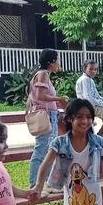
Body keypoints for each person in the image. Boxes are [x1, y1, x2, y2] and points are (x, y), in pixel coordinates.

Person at [28, 48, 69, 187]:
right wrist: (59, 99)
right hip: (46, 116)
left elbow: (37, 97)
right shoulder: (43, 74)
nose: (59, 63)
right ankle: (35, 183)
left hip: (49, 115)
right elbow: (40, 96)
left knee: (48, 149)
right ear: (52, 62)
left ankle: (45, 182)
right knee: (41, 150)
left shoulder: (41, 74)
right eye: (57, 60)